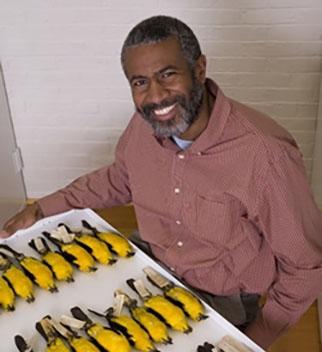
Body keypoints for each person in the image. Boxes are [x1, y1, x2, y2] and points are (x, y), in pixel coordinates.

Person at [1, 15, 322, 349]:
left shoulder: (265, 156)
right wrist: (41, 208)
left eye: (167, 75)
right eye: (139, 82)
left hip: (222, 298)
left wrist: (255, 339)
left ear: (199, 69)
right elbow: (119, 178)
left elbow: (306, 265)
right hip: (149, 262)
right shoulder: (146, 124)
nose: (155, 96)